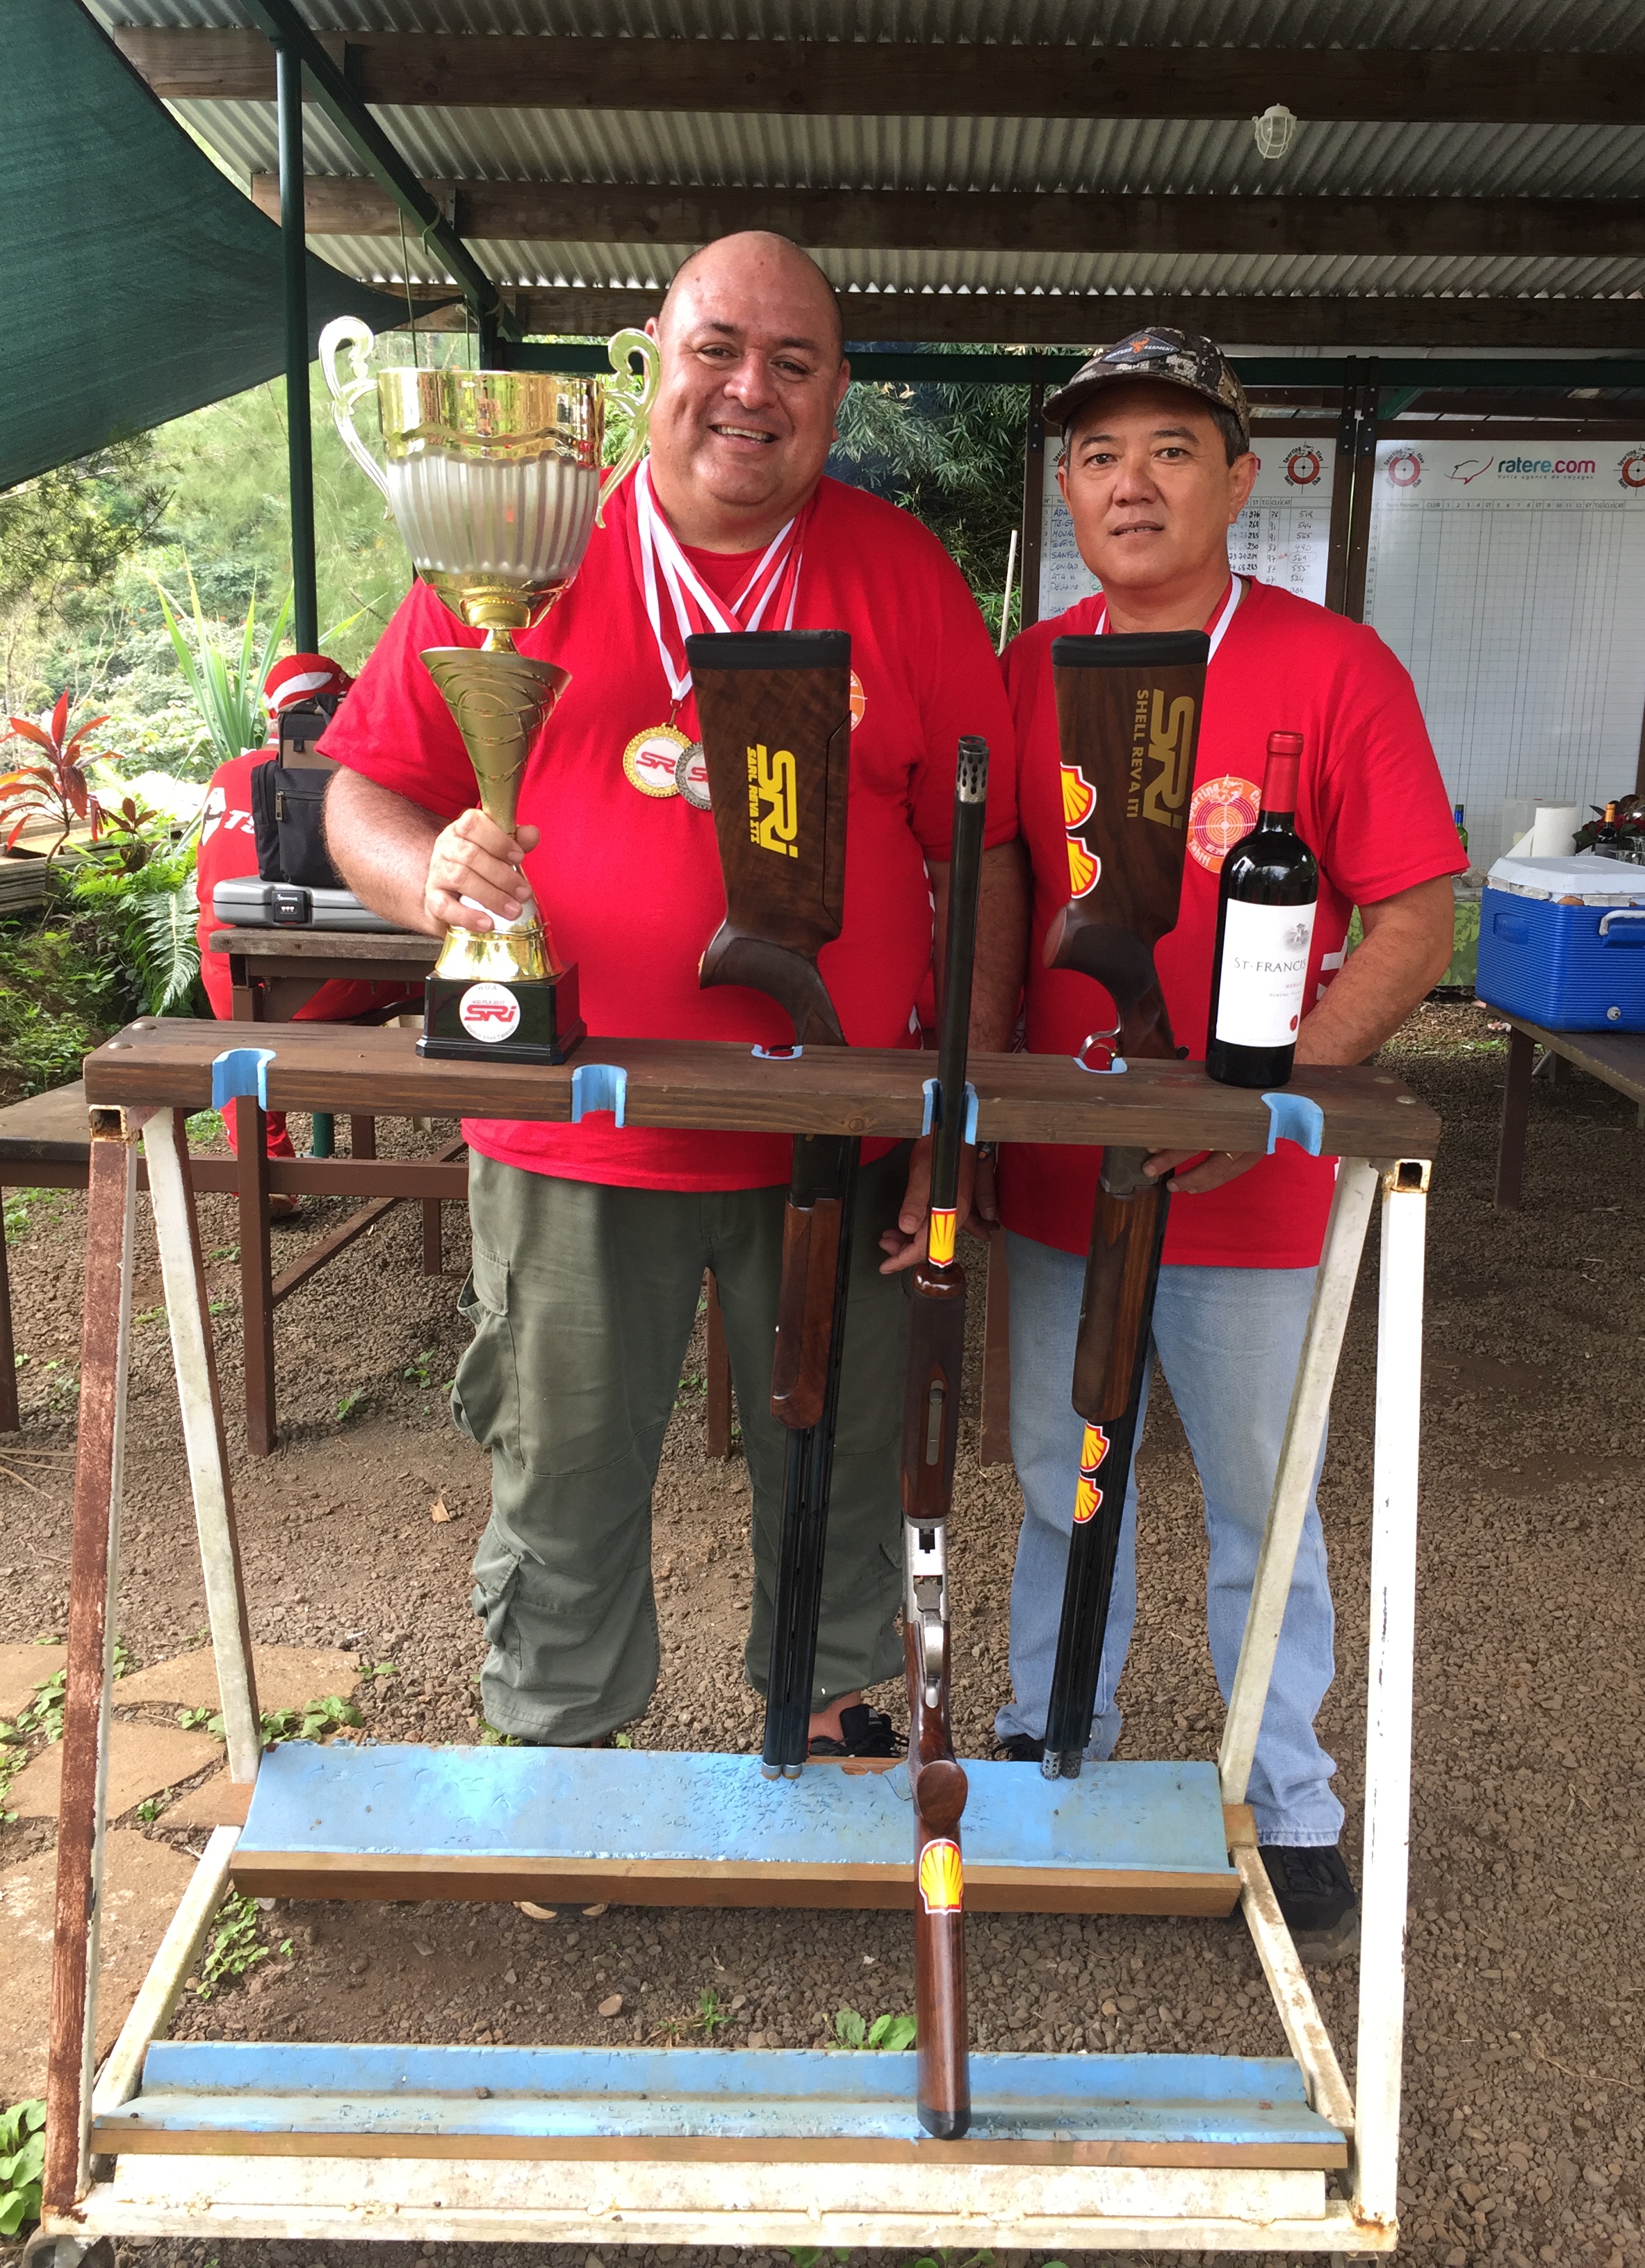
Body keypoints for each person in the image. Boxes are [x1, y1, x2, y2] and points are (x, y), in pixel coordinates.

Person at [321, 231, 1024, 1753]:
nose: (749, 391)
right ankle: (560, 1742)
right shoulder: (521, 537)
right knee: (562, 1465)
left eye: (793, 361)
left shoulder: (899, 573)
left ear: (838, 389)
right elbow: (365, 791)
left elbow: (992, 857)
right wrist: (422, 881)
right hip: (573, 1135)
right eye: (718, 349)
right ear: (653, 356)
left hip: (842, 1135)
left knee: (841, 1463)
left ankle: (830, 1722)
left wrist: (956, 1114)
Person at [993, 326, 1463, 1954]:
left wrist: (1282, 1088)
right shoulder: (1028, 662)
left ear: (1238, 478)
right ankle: (1050, 1737)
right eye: (1099, 452)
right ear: (1064, 483)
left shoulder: (1331, 667)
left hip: (1249, 1190)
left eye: (1171, 449)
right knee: (1062, 1482)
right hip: (1060, 1169)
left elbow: (1412, 908)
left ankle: (1285, 1794)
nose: (1131, 482)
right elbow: (990, 896)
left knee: (1265, 1494)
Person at [195, 652, 414, 1218]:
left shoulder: (227, 774)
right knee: (441, 974)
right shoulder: (354, 777)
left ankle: (265, 1175)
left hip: (233, 983)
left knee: (241, 1032)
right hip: (335, 984)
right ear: (335, 704)